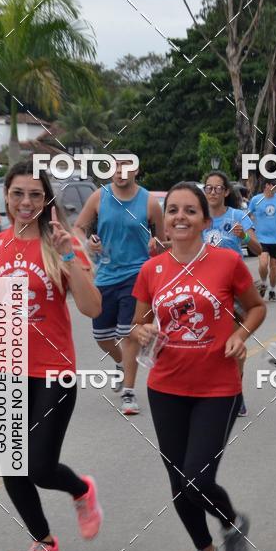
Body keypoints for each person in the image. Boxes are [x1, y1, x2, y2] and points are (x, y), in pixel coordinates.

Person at [0, 160, 104, 551]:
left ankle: (81, 489)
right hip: (8, 367)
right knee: (11, 467)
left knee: (40, 465)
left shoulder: (59, 243)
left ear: (46, 199)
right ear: (7, 197)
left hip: (54, 369)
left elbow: (92, 307)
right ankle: (44, 543)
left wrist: (70, 255)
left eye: (35, 194)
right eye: (18, 194)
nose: (26, 202)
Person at [132, 182, 266, 551]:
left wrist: (240, 335)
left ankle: (231, 523)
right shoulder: (151, 269)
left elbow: (256, 307)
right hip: (165, 387)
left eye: (190, 210)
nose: (180, 217)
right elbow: (139, 322)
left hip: (218, 387)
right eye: (172, 210)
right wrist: (141, 332)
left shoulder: (226, 262)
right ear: (163, 221)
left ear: (206, 220)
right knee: (178, 483)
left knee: (197, 478)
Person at [73, 153, 165, 415]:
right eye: (116, 166)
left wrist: (156, 245)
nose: (120, 171)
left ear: (136, 171)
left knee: (128, 333)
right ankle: (120, 363)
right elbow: (78, 228)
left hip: (137, 276)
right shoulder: (99, 197)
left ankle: (129, 392)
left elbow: (162, 240)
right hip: (105, 276)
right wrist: (89, 242)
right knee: (101, 336)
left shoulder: (149, 202)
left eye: (126, 167)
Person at [202, 170, 262, 417]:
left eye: (217, 188)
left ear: (226, 192)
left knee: (235, 339)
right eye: (209, 188)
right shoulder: (200, 218)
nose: (213, 192)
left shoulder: (238, 215)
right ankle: (211, 392)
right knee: (207, 343)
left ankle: (237, 392)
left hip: (234, 287)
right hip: (206, 286)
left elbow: (258, 248)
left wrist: (244, 236)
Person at [248, 180, 276, 301]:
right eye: (274, 185)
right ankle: (263, 282)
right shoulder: (256, 199)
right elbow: (248, 215)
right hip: (261, 238)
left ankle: (272, 290)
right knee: (263, 264)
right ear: (267, 186)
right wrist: (249, 228)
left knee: (274, 266)